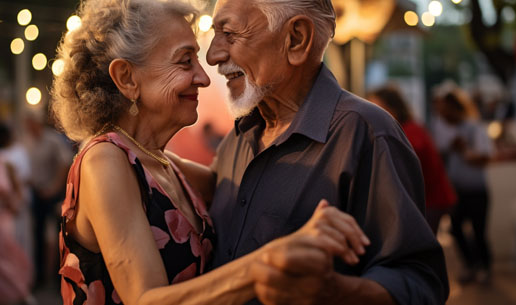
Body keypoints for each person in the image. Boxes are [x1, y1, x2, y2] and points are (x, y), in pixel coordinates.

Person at [50, 1, 368, 304]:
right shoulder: (105, 161)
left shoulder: (161, 164)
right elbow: (146, 299)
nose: (203, 77)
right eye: (185, 61)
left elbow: (253, 190)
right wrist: (265, 264)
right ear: (127, 78)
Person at [171, 0, 449, 304]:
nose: (213, 56)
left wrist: (336, 292)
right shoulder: (241, 136)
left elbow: (422, 282)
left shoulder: (365, 133)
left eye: (230, 34)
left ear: (296, 39)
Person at [368, 86, 457, 233]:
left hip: (431, 201)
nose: (372, 115)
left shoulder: (409, 132)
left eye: (377, 109)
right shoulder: (406, 128)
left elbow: (400, 169)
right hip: (429, 200)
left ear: (393, 108)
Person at [431, 87, 493, 284]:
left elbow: (485, 157)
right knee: (456, 228)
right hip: (456, 189)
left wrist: (464, 149)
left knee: (478, 230)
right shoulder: (439, 127)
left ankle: (484, 266)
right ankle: (471, 264)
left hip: (476, 188)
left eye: (445, 109)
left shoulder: (474, 128)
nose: (442, 114)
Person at [21, 113, 73, 285]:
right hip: (37, 192)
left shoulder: (52, 140)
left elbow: (65, 163)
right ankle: (40, 276)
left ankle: (60, 276)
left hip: (53, 193)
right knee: (37, 233)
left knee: (60, 233)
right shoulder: (27, 142)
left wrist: (54, 188)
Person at [0, 123, 33, 304]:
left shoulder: (6, 160)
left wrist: (15, 204)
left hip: (6, 217)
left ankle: (20, 291)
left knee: (11, 257)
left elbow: (17, 186)